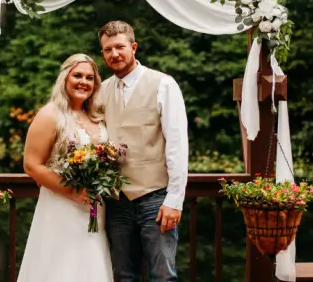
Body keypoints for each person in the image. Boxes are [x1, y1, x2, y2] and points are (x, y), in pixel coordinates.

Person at [98, 20, 189, 282]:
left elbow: (177, 145)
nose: (114, 54)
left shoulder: (164, 84)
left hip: (156, 198)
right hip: (117, 201)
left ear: (133, 47)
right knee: (123, 276)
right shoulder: (102, 90)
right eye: (107, 50)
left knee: (163, 276)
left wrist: (174, 199)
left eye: (119, 47)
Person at [18, 53, 113, 282]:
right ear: (65, 78)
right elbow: (31, 165)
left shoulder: (97, 116)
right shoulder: (50, 115)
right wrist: (74, 192)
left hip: (94, 208)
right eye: (77, 75)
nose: (84, 82)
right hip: (61, 206)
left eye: (90, 78)